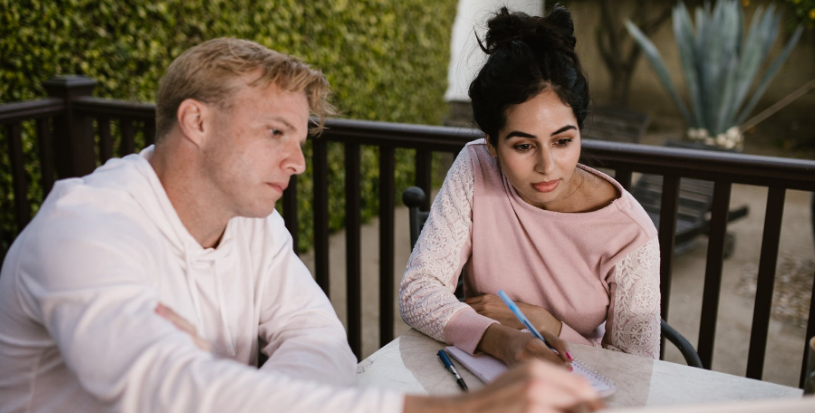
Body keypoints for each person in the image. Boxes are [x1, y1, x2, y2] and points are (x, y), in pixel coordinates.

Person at [0, 38, 603, 413]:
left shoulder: (253, 224)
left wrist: (225, 392)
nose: (296, 159)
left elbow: (321, 345)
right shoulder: (84, 227)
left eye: (300, 136)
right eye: (275, 133)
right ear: (197, 122)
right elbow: (158, 385)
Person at [400, 5, 661, 369]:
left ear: (579, 132)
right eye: (523, 146)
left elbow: (640, 369)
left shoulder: (630, 233)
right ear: (491, 143)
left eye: (563, 141)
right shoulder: (477, 165)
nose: (547, 166)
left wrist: (545, 324)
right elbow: (417, 291)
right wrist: (498, 338)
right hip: (488, 383)